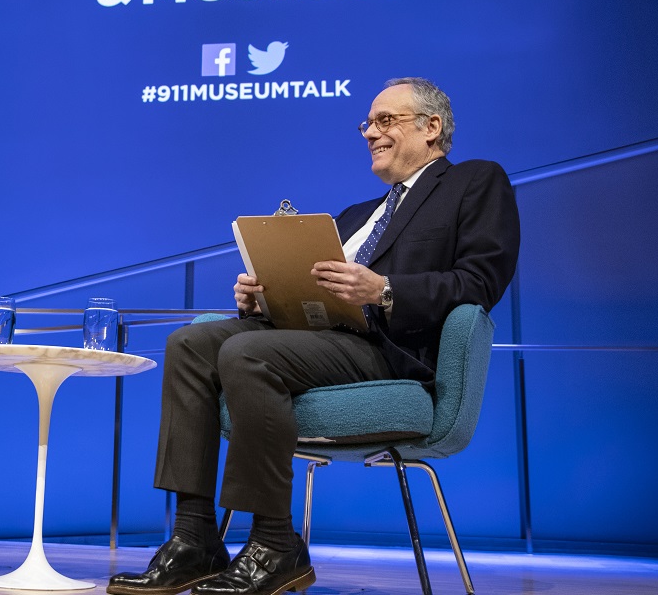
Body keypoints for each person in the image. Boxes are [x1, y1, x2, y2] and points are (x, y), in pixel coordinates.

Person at [108, 77, 519, 595]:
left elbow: (481, 281)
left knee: (245, 352)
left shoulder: (475, 182)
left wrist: (385, 289)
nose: (370, 132)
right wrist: (266, 298)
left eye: (385, 120)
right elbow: (314, 299)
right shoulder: (353, 217)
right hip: (324, 340)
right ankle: (194, 537)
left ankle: (276, 543)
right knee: (188, 345)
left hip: (394, 351)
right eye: (367, 123)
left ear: (431, 127)